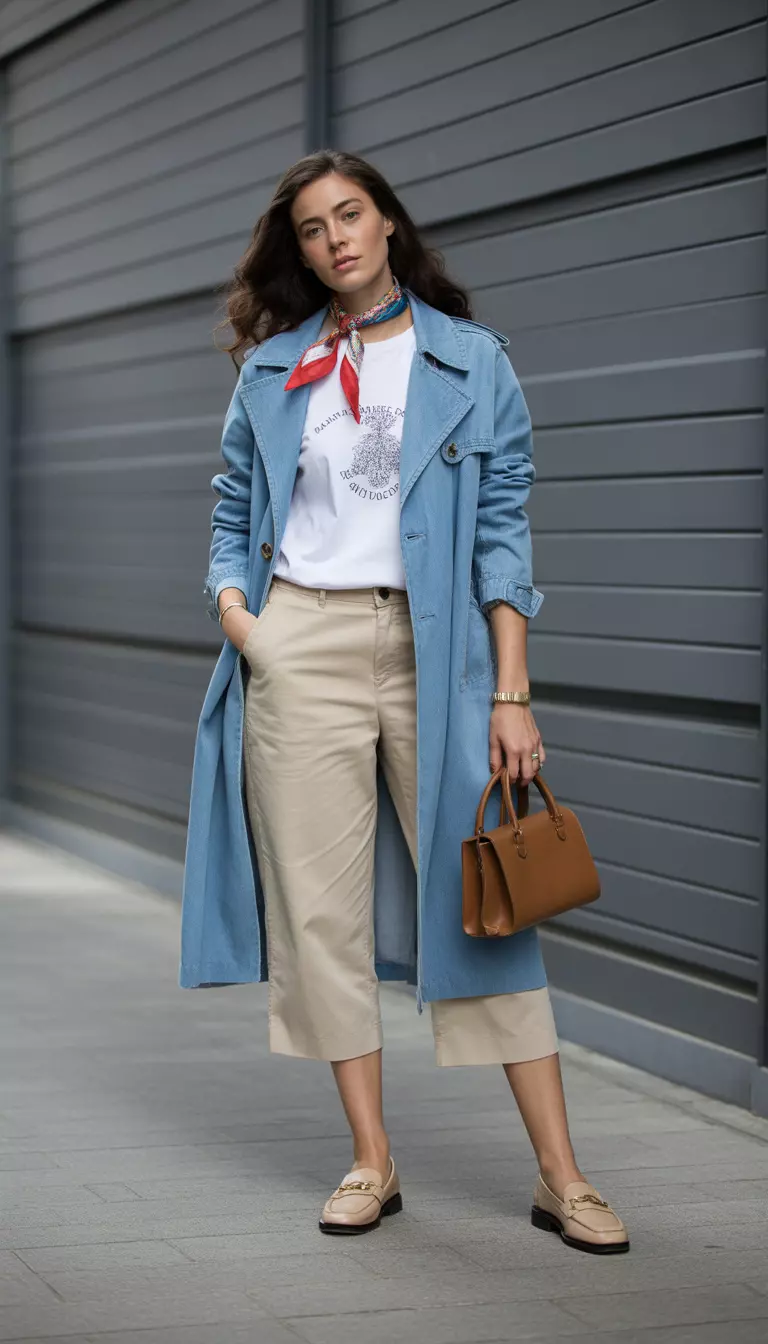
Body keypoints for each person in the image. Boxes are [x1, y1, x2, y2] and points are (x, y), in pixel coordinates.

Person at [179, 149, 628, 1254]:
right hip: (301, 644)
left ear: (387, 223)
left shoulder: (470, 360)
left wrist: (511, 690)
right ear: (300, 251)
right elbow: (233, 507)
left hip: (438, 651)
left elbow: (503, 531)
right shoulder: (273, 369)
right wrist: (245, 622)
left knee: (488, 900)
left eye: (350, 215)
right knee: (318, 916)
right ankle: (371, 1161)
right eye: (313, 227)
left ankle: (563, 1178)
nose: (334, 238)